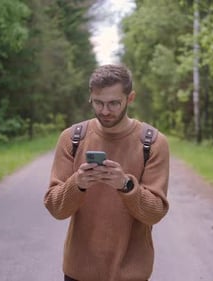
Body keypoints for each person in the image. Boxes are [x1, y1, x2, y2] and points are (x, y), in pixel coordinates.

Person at [44, 64, 170, 281]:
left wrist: (126, 185)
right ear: (90, 97)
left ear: (130, 98)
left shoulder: (153, 142)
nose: (104, 111)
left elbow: (155, 212)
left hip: (131, 274)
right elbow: (56, 208)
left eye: (114, 103)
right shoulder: (72, 138)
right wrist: (78, 184)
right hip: (78, 272)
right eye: (98, 102)